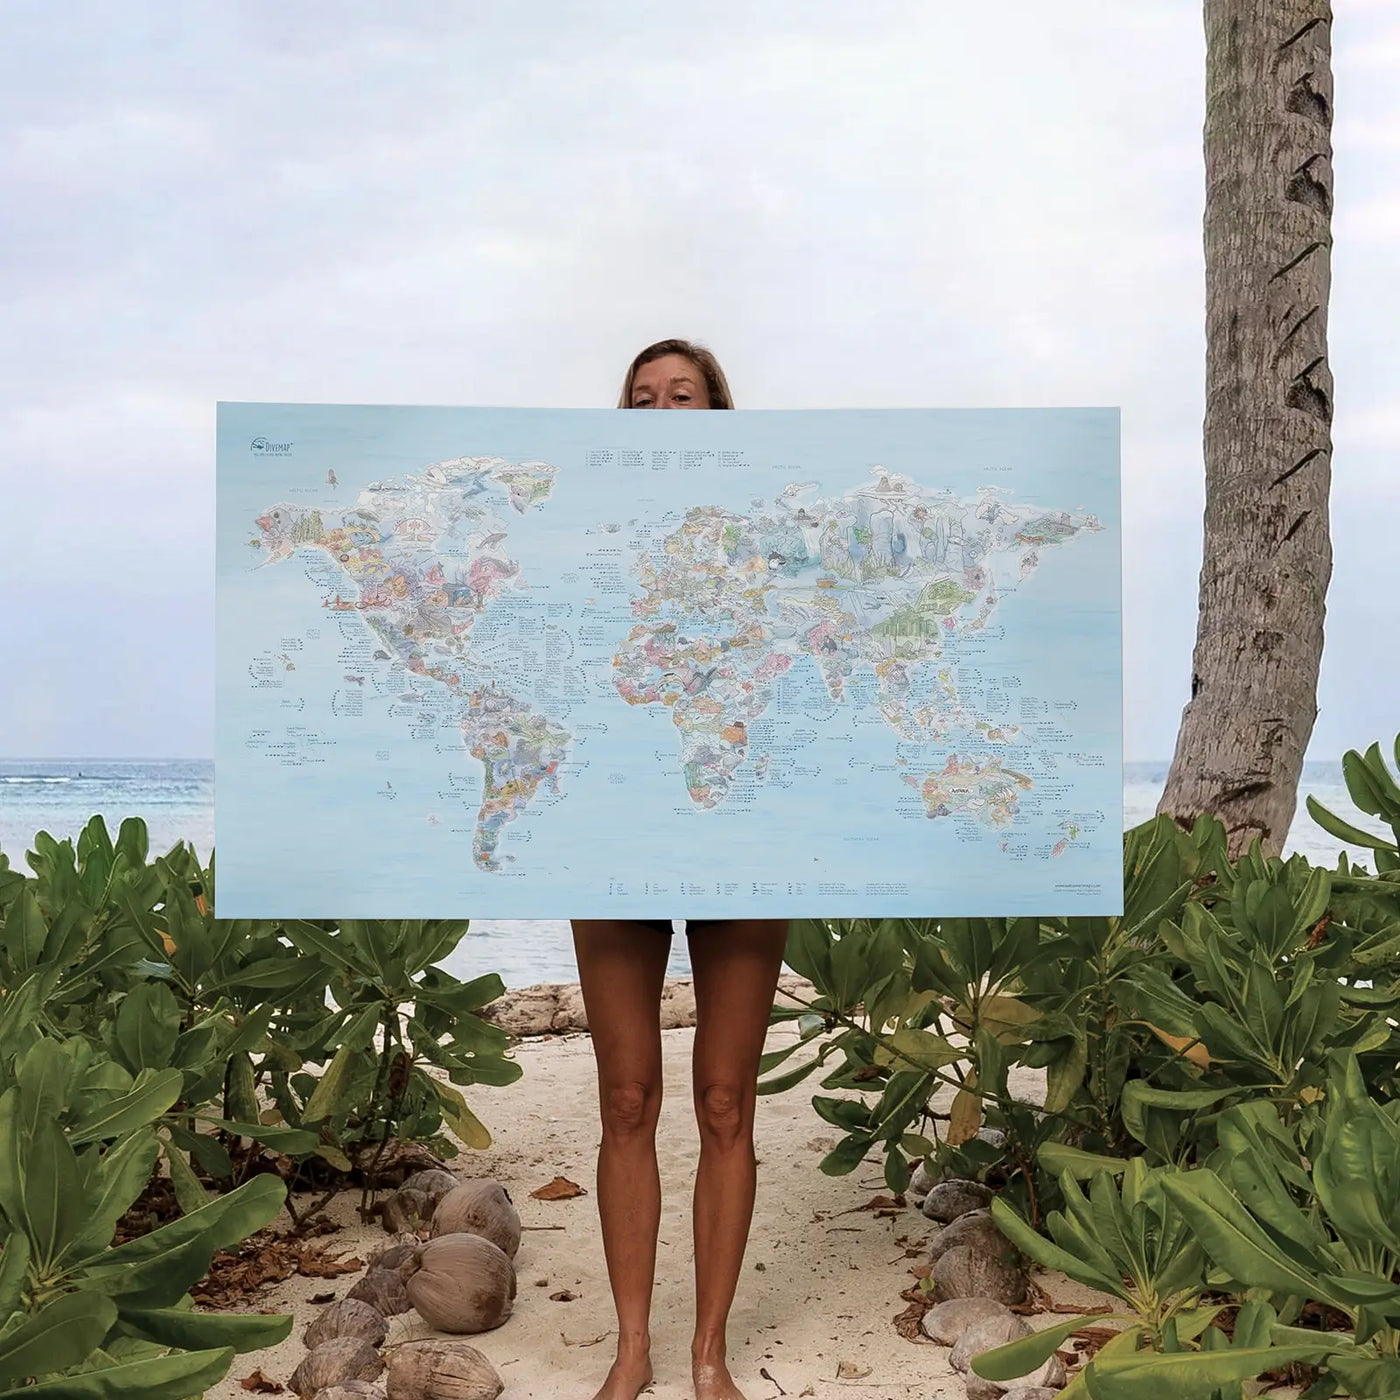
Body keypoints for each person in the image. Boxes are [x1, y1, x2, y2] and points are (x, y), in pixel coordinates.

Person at [570, 338, 789, 1400]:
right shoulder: (587, 541)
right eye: (640, 398)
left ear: (718, 415)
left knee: (722, 1099)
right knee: (623, 1095)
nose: (661, 409)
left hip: (741, 828)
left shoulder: (768, 540)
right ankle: (629, 1345)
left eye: (682, 395)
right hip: (612, 827)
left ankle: (706, 1348)